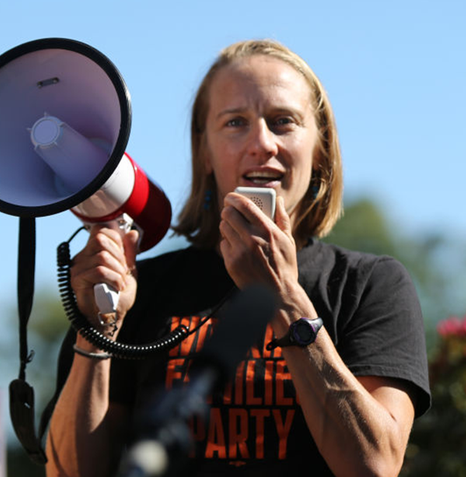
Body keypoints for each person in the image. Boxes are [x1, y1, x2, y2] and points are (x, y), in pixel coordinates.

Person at [43, 39, 431, 477]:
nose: (261, 143)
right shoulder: (142, 290)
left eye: (283, 121)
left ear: (320, 147)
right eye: (235, 123)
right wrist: (97, 329)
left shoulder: (369, 285)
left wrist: (284, 297)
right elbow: (69, 473)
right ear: (204, 152)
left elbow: (375, 466)